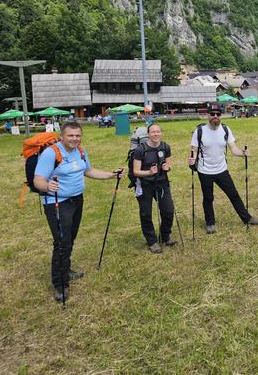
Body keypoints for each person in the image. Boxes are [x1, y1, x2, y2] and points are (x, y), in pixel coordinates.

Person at [33, 121, 122, 303]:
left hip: (76, 200)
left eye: (78, 135)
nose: (74, 139)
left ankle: (66, 269)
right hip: (57, 203)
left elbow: (88, 170)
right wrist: (47, 185)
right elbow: (38, 180)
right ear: (62, 136)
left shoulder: (80, 150)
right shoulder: (51, 153)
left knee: (70, 238)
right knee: (62, 243)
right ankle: (60, 284)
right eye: (71, 136)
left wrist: (110, 175)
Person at [188, 105, 258, 233]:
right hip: (204, 171)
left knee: (233, 194)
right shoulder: (199, 131)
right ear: (208, 115)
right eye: (212, 114)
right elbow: (194, 150)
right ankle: (210, 223)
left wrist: (243, 153)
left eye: (218, 114)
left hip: (222, 169)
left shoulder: (225, 129)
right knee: (208, 198)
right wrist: (192, 160)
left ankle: (247, 218)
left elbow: (233, 148)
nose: (215, 116)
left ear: (221, 116)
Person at [132, 123, 177, 253]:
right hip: (145, 184)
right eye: (153, 132)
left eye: (158, 132)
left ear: (161, 133)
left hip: (162, 183)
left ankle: (165, 236)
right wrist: (149, 173)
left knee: (168, 211)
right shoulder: (140, 149)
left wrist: (167, 167)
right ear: (148, 133)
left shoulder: (165, 146)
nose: (156, 134)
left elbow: (169, 164)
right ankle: (152, 241)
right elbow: (136, 171)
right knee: (146, 213)